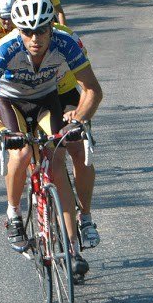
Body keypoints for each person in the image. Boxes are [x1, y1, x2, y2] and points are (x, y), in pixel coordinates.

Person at [0, 0, 103, 279]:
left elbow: (92, 89)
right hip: (10, 100)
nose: (34, 38)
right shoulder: (6, 48)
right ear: (18, 30)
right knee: (22, 152)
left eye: (41, 30)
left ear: (52, 27)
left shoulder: (66, 43)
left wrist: (79, 119)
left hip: (45, 98)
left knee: (56, 160)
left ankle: (71, 247)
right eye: (27, 31)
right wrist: (0, 132)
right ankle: (13, 213)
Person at [52, 22, 100, 248]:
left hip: (66, 95)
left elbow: (87, 86)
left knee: (79, 150)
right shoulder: (18, 42)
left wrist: (79, 114)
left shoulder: (68, 39)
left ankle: (86, 217)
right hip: (33, 98)